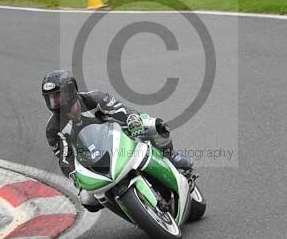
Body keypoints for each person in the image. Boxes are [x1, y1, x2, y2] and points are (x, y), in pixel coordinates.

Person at [41, 69, 194, 212]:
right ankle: (132, 210)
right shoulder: (53, 128)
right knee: (87, 199)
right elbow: (64, 157)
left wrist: (132, 119)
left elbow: (121, 110)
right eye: (50, 98)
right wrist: (74, 174)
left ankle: (170, 155)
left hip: (122, 135)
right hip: (94, 158)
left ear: (70, 91)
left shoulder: (94, 99)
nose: (54, 102)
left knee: (155, 126)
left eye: (57, 96)